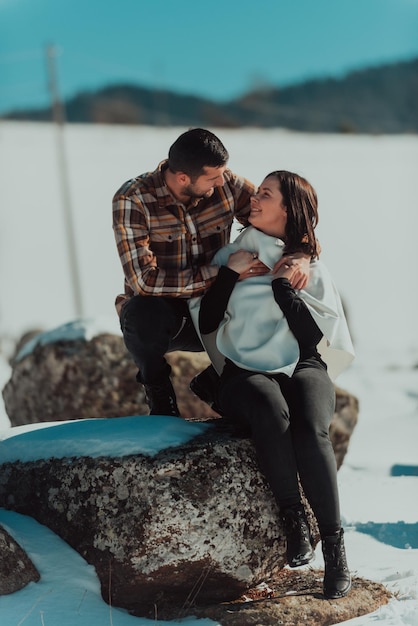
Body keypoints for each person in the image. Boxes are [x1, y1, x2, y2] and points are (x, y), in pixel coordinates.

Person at [191, 170, 355, 599]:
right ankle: (293, 518)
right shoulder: (232, 255)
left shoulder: (309, 267)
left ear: (288, 209)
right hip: (244, 370)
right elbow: (207, 323)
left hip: (303, 362)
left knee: (311, 428)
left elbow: (314, 338)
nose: (255, 199)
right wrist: (230, 275)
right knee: (270, 410)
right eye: (257, 192)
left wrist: (282, 284)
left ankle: (336, 551)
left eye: (266, 195)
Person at [112, 129, 310, 416]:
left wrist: (301, 254)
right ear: (183, 178)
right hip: (171, 314)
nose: (222, 181)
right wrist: (223, 273)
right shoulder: (133, 199)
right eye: (212, 178)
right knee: (139, 315)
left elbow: (281, 218)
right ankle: (158, 392)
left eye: (223, 173)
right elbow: (143, 281)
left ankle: (217, 384)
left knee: (278, 292)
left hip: (220, 304)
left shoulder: (227, 183)